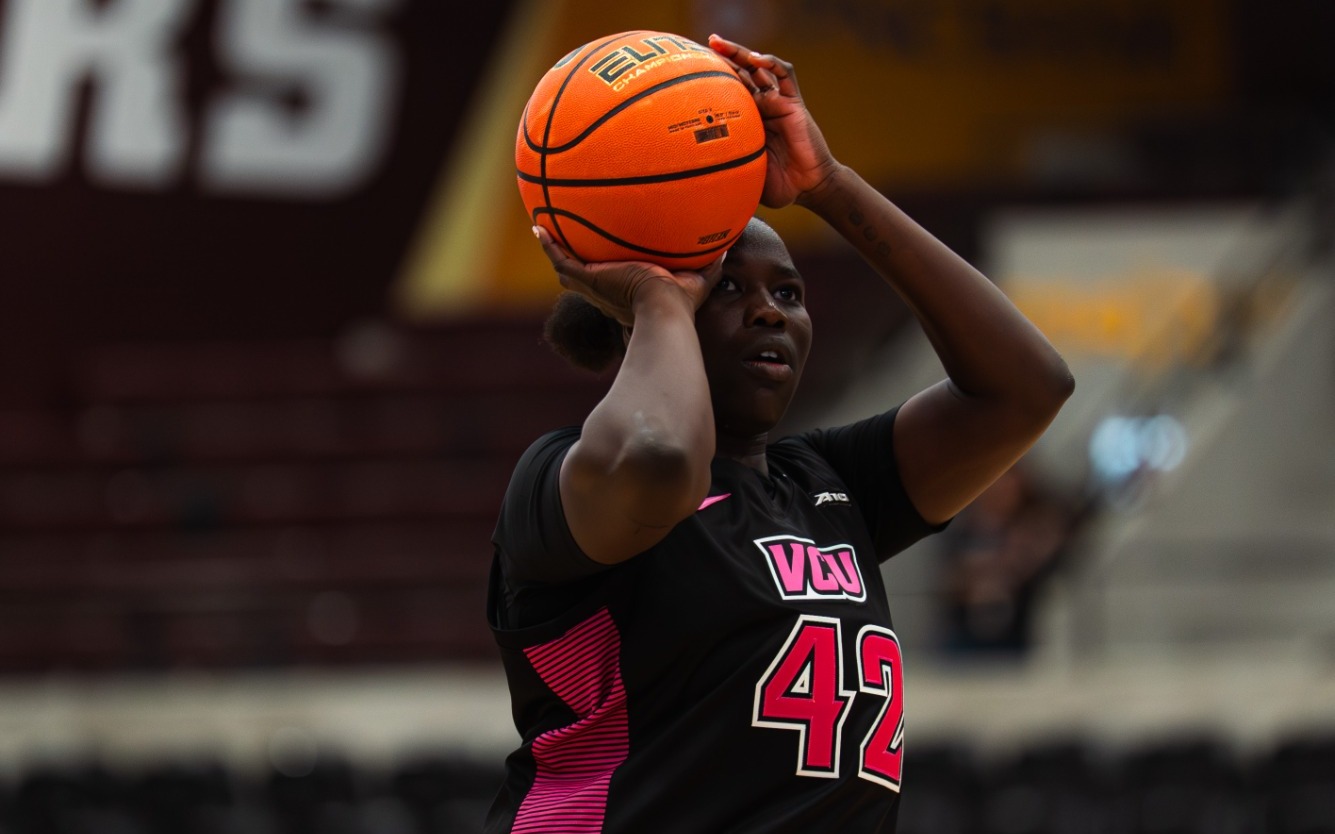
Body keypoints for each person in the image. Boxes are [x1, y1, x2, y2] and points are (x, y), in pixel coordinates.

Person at [484, 33, 1074, 833]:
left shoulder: (826, 488)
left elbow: (1027, 388)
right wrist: (659, 297)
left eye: (790, 293)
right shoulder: (560, 480)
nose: (771, 311)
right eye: (725, 286)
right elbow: (661, 459)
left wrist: (830, 187)